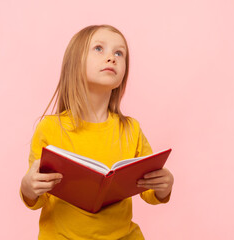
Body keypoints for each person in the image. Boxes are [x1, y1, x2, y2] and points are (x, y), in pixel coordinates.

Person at [20, 24, 174, 240]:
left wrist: (164, 186)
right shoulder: (50, 128)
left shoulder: (131, 129)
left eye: (119, 53)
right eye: (99, 49)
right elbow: (39, 197)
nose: (112, 57)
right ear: (75, 63)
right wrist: (28, 187)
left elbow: (148, 190)